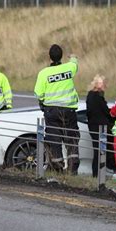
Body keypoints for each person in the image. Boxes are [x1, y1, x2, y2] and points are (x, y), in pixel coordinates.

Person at [34, 44, 80, 175]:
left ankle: (57, 169)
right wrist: (72, 57)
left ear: (49, 57)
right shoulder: (69, 68)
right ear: (61, 56)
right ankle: (72, 170)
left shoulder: (44, 73)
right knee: (72, 141)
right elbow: (74, 63)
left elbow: (38, 93)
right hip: (69, 111)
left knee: (54, 141)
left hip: (52, 112)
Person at [86, 74, 115, 177]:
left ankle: (96, 175)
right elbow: (106, 112)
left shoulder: (90, 95)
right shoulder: (98, 97)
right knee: (101, 152)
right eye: (104, 84)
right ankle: (99, 174)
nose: (105, 87)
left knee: (97, 151)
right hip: (100, 127)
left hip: (93, 126)